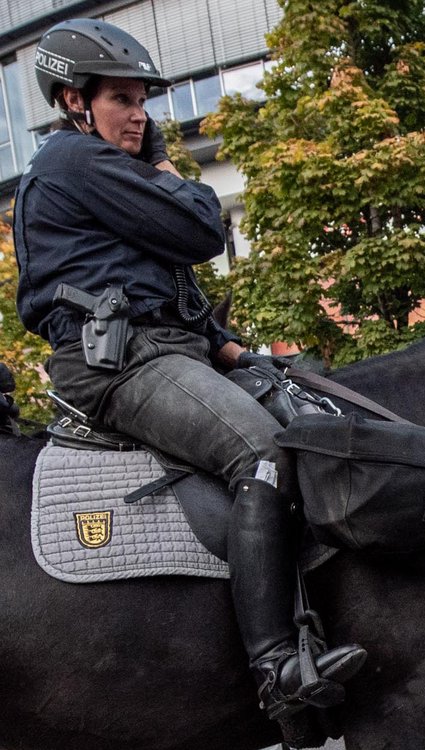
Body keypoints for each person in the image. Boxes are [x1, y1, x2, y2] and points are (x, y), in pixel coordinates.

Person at [12, 19, 364, 732]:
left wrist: (238, 354)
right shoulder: (74, 162)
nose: (139, 113)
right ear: (75, 102)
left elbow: (168, 286)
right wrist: (167, 169)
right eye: (120, 99)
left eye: (143, 99)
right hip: (120, 364)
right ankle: (277, 669)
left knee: (314, 426)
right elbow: (203, 229)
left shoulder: (104, 173)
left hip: (167, 348)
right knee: (263, 455)